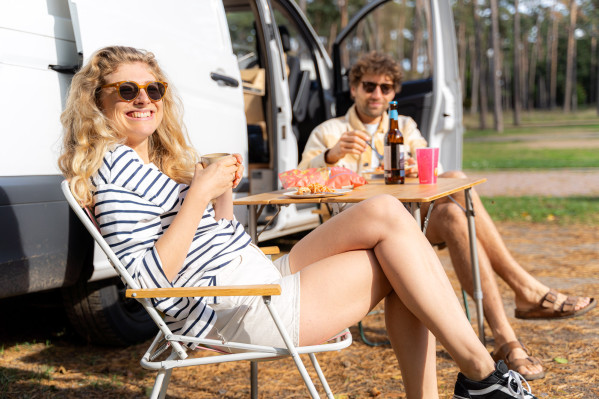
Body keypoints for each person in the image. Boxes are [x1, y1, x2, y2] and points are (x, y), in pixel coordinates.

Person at [58, 45, 540, 399]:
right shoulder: (113, 172)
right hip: (237, 310)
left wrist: (220, 195)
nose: (144, 99)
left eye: (153, 89)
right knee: (400, 260)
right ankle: (480, 372)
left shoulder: (153, 161)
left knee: (387, 212)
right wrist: (198, 195)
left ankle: (476, 375)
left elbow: (218, 240)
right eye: (127, 90)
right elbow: (146, 283)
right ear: (97, 101)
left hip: (253, 278)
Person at [299, 51, 596, 381]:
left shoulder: (404, 127)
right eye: (369, 86)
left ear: (394, 93)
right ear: (354, 88)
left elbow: (435, 174)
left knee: (454, 187)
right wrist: (331, 155)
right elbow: (297, 180)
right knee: (453, 193)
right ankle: (523, 299)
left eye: (385, 88)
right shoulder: (330, 131)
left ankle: (504, 334)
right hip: (355, 228)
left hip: (406, 222)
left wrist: (418, 170)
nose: (377, 95)